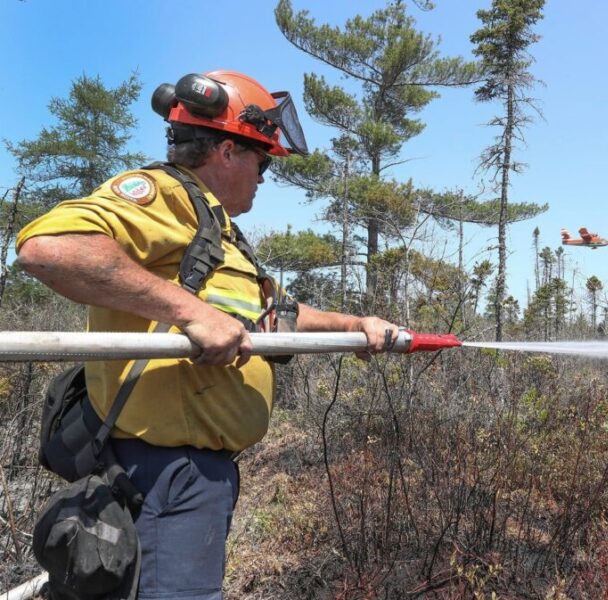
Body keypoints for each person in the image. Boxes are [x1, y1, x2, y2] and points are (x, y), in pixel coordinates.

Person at [16, 70, 399, 600]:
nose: (264, 177)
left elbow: (273, 316)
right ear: (227, 151)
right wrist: (191, 312)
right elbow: (49, 249)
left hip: (195, 474)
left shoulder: (216, 230)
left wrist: (357, 326)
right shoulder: (165, 195)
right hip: (162, 471)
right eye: (262, 161)